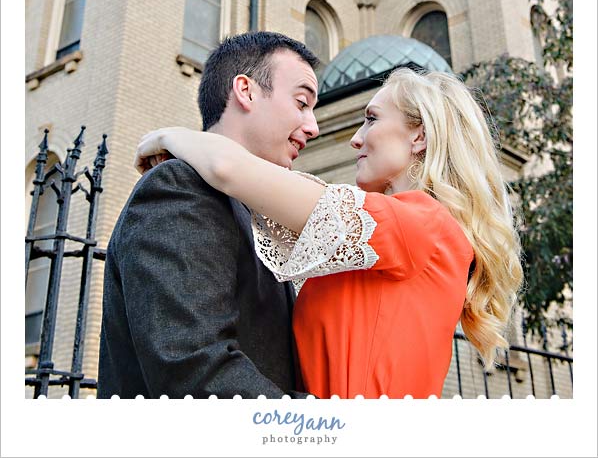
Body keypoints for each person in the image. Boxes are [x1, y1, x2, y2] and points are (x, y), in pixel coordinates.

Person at [135, 66, 524, 399]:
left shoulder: (422, 223)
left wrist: (166, 137)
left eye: (371, 119)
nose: (356, 138)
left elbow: (228, 169)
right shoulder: (387, 238)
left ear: (418, 136)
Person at [97, 31, 320, 398]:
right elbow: (195, 373)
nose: (313, 127)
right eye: (301, 102)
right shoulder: (178, 187)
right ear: (245, 91)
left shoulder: (256, 211)